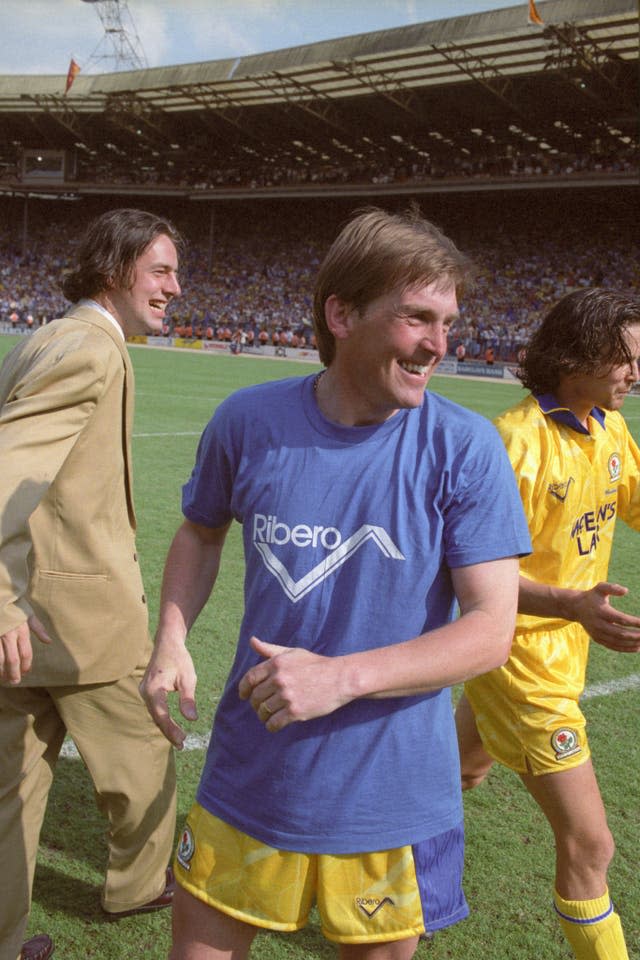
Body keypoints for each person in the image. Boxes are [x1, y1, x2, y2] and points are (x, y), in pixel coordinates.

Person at [140, 205, 531, 960]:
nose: (440, 345)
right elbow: (201, 529)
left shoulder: (466, 448)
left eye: (449, 321)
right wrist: (171, 639)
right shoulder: (248, 420)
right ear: (342, 313)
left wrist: (340, 679)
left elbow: (490, 630)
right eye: (417, 317)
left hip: (391, 797)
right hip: (251, 774)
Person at [0, 208, 184, 960]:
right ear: (116, 269)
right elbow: (7, 474)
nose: (177, 286)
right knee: (147, 748)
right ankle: (139, 885)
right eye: (163, 269)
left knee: (10, 795)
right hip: (77, 625)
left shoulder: (47, 334)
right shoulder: (90, 348)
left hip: (26, 622)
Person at [456, 288, 640, 960]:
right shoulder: (515, 443)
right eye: (623, 360)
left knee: (457, 773)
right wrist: (571, 606)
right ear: (577, 356)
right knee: (591, 844)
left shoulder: (609, 429)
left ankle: (355, 853)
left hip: (565, 649)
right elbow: (475, 577)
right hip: (519, 661)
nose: (635, 374)